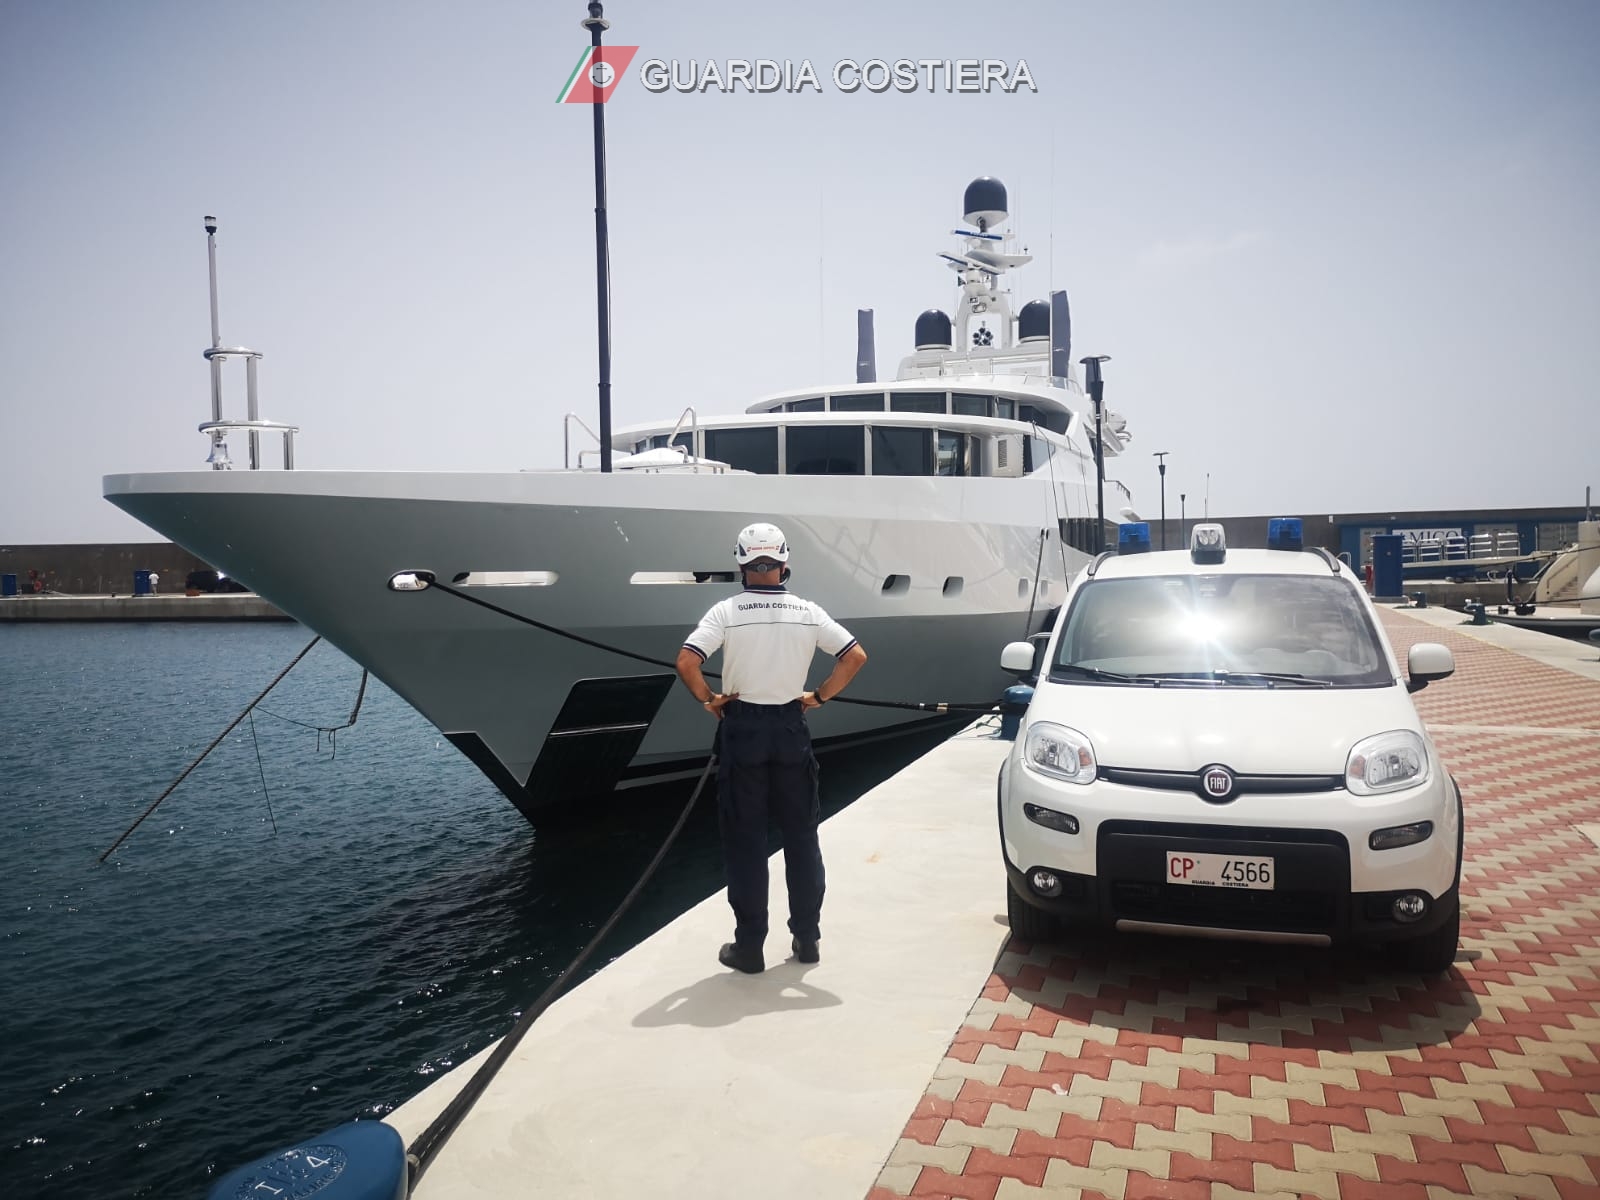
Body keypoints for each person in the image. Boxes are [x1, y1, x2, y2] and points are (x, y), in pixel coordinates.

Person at [676, 522, 868, 975]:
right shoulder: (807, 611)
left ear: (742, 564)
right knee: (801, 837)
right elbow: (854, 656)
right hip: (789, 727)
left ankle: (750, 947)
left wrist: (709, 700)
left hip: (743, 728)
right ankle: (807, 937)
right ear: (784, 564)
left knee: (746, 842)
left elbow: (687, 661)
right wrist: (818, 697)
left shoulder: (725, 611)